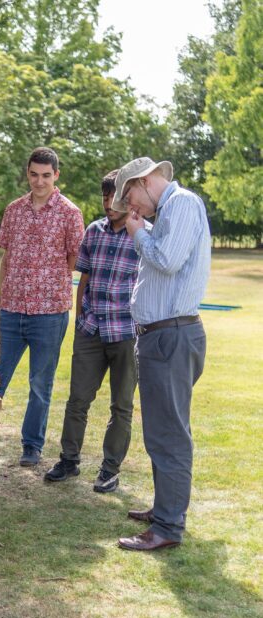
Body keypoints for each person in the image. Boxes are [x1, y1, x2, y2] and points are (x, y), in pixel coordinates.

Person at [110, 157, 210, 551]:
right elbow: (166, 250)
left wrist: (137, 233)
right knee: (159, 430)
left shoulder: (182, 203)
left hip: (170, 336)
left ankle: (167, 528)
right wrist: (144, 228)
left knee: (168, 435)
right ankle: (164, 508)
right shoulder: (168, 213)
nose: (130, 206)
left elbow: (167, 260)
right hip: (161, 337)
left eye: (130, 195)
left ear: (145, 181)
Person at [44, 170, 143, 492]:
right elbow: (83, 278)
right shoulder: (94, 231)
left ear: (128, 200)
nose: (107, 203)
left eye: (113, 197)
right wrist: (79, 319)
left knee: (121, 406)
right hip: (90, 329)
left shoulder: (144, 234)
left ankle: (109, 470)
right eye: (104, 196)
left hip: (127, 333)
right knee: (77, 401)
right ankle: (69, 460)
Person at [0, 147, 84, 466]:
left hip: (50, 312)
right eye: (33, 174)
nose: (39, 181)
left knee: (40, 384)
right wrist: (5, 293)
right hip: (12, 308)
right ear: (27, 173)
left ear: (56, 175)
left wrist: (51, 282)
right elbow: (7, 254)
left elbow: (74, 256)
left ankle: (32, 445)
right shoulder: (13, 210)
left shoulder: (71, 213)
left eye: (46, 175)